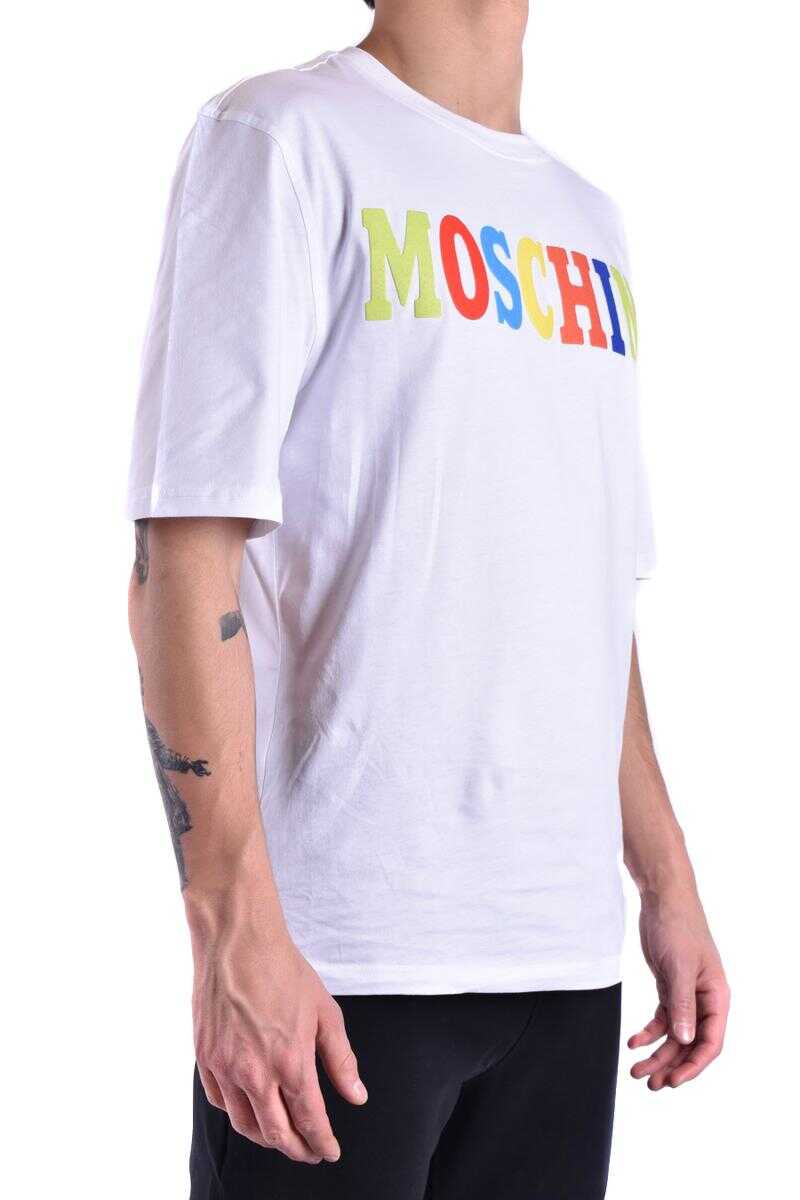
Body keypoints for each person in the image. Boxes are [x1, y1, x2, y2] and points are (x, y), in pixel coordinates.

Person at [126, 2, 730, 1196]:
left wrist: (665, 879)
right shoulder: (281, 137)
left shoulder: (585, 218)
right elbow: (182, 553)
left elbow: (583, 586)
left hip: (561, 960)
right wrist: (230, 923)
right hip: (342, 961)